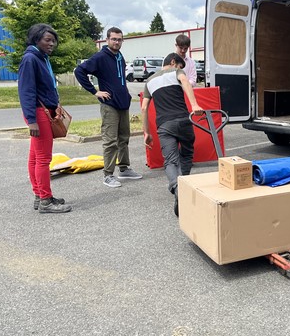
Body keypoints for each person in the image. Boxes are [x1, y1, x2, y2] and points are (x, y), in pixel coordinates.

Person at [75, 27, 142, 188]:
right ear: (107, 40)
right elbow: (79, 71)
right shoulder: (100, 57)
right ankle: (108, 175)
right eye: (114, 39)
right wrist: (95, 91)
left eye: (119, 39)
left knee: (124, 138)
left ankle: (124, 169)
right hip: (109, 105)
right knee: (110, 140)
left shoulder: (119, 56)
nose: (117, 42)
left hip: (122, 103)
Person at [17, 23, 72, 214]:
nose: (52, 44)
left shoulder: (41, 58)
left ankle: (40, 195)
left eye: (53, 40)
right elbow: (26, 91)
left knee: (35, 156)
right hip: (38, 113)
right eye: (47, 40)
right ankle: (46, 201)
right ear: (36, 39)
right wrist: (31, 120)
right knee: (43, 158)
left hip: (44, 111)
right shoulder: (31, 59)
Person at [141, 52, 203, 216]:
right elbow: (185, 82)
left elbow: (144, 108)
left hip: (164, 126)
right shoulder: (176, 72)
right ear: (174, 62)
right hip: (183, 121)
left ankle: (177, 188)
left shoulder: (149, 80)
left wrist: (146, 132)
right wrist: (195, 104)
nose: (180, 69)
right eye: (180, 66)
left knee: (170, 161)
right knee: (187, 152)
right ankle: (184, 187)